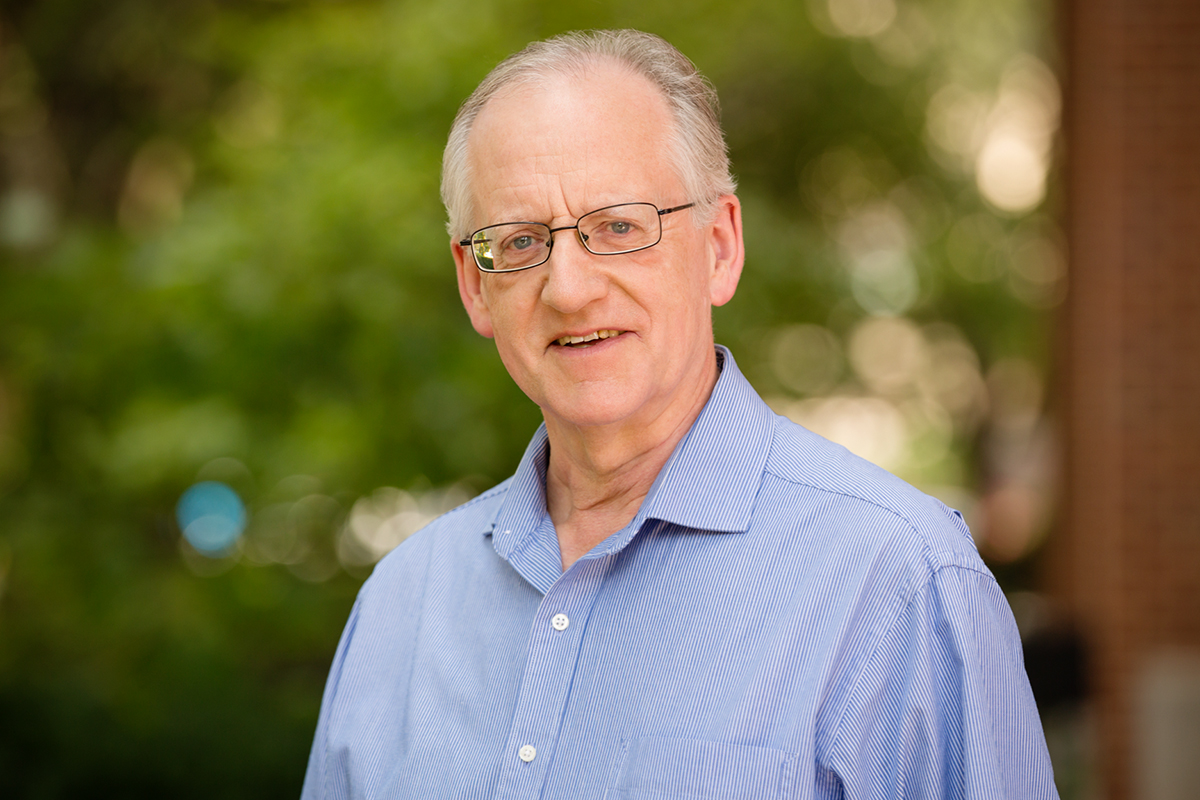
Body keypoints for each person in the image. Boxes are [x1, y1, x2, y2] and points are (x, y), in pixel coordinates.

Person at [300, 29, 1058, 799]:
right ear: (474, 286)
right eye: (521, 241)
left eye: (619, 227)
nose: (569, 289)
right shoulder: (400, 606)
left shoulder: (898, 581)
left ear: (720, 247)